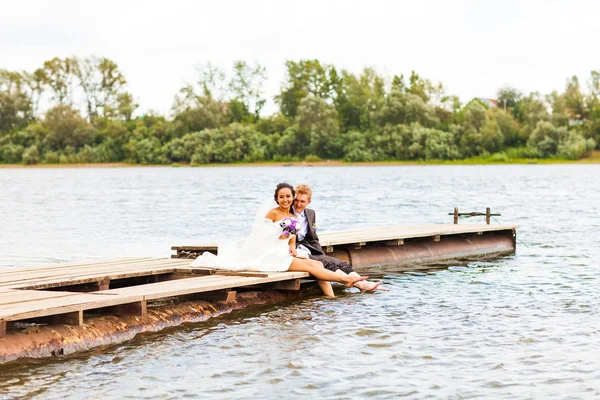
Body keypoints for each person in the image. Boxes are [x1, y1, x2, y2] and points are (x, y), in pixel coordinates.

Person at [191, 182, 367, 297]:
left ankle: (331, 298)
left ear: (293, 197)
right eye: (281, 197)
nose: (285, 199)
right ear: (277, 198)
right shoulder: (273, 213)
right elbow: (261, 235)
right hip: (270, 253)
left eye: (288, 196)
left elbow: (292, 236)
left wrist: (290, 244)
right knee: (311, 265)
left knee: (318, 265)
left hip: (283, 252)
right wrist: (279, 235)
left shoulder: (292, 215)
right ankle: (344, 280)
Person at [292, 184, 384, 292]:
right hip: (296, 250)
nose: (298, 204)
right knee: (327, 263)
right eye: (296, 200)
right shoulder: (286, 213)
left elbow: (314, 237)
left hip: (309, 248)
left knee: (341, 263)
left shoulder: (311, 213)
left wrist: (320, 253)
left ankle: (365, 283)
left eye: (302, 201)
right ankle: (360, 285)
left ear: (309, 202)